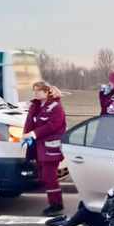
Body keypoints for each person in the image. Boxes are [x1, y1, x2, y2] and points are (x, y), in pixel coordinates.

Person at [24, 81, 67, 216]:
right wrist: (27, 134)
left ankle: (56, 205)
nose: (35, 93)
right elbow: (30, 122)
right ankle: (54, 202)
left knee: (49, 177)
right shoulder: (36, 105)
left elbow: (53, 125)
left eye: (38, 91)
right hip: (39, 147)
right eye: (34, 91)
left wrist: (34, 133)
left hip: (50, 148)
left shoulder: (55, 107)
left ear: (47, 92)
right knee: (44, 176)